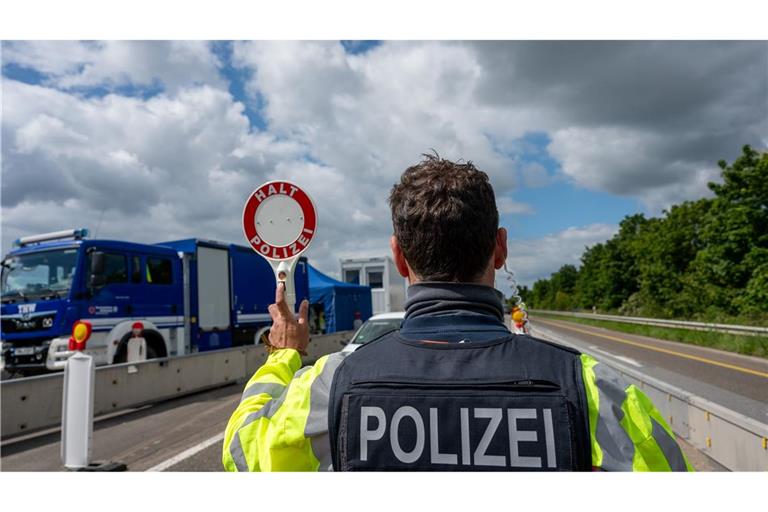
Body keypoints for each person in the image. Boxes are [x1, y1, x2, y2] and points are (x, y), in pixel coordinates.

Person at [222, 154, 692, 472]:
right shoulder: (593, 391)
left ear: (399, 258)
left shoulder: (333, 388)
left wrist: (282, 355)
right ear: (500, 249)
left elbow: (242, 449)